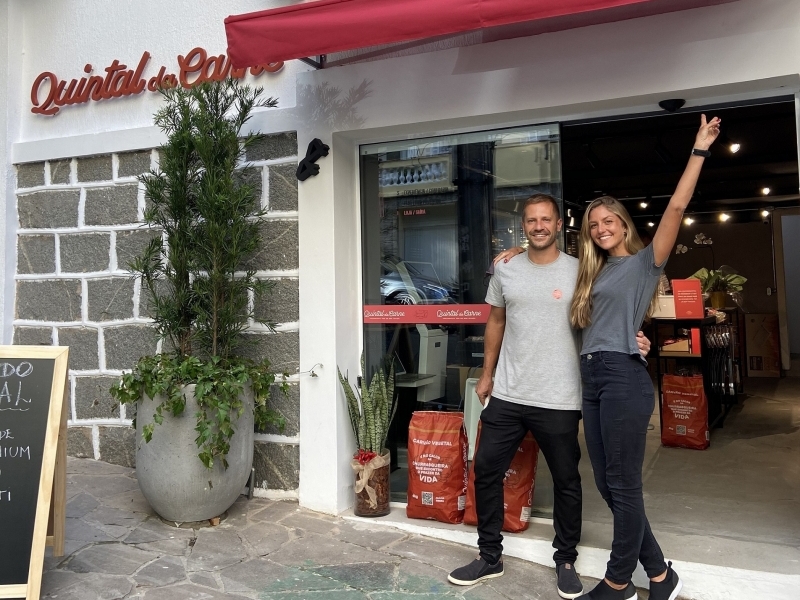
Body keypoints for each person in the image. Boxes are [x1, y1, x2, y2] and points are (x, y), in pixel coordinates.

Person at [446, 194, 650, 599]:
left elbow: (616, 308)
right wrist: (486, 375)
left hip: (560, 395)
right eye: (531, 220)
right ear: (523, 226)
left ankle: (566, 559)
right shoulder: (506, 269)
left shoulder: (583, 272)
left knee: (567, 481)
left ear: (559, 225)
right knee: (485, 470)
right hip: (508, 390)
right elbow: (496, 321)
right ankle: (489, 555)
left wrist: (637, 340)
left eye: (546, 220)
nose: (538, 226)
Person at [570, 114, 720, 600]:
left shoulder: (642, 263)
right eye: (594, 225)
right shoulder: (590, 275)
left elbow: (676, 208)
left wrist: (698, 150)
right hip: (593, 378)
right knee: (610, 486)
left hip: (622, 378)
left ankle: (618, 581)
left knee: (623, 483)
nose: (600, 229)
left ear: (623, 224)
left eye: (608, 221)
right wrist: (510, 252)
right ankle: (659, 574)